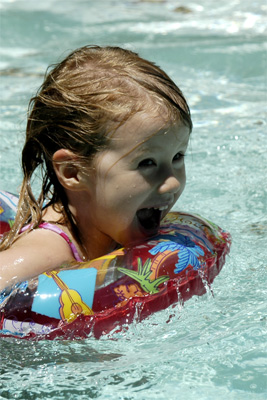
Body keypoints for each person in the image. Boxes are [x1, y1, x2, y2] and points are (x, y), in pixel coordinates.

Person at [0, 45, 192, 291]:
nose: (173, 182)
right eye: (147, 163)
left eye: (178, 156)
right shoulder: (45, 255)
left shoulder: (120, 220)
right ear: (73, 172)